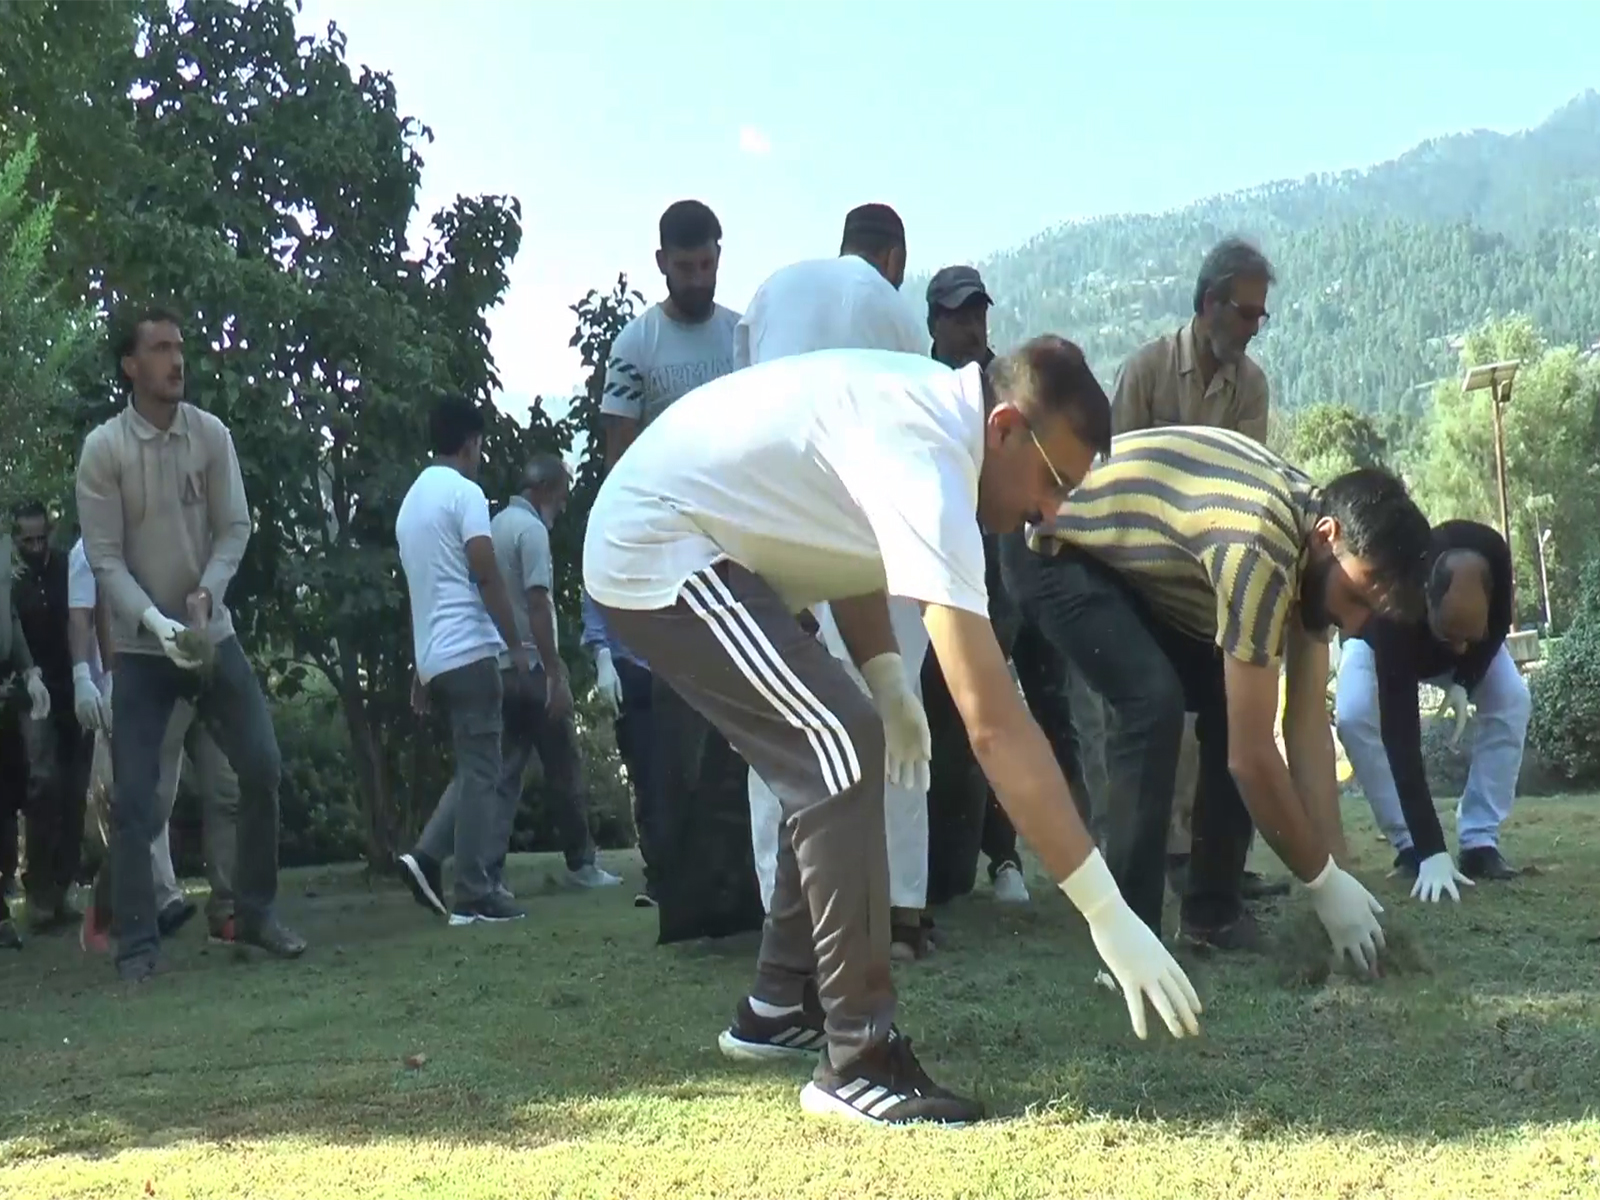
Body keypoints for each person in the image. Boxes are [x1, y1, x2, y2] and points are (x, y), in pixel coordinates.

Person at [585, 338, 1203, 1127]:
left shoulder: (930, 416)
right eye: (1053, 482)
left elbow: (845, 544)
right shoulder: (931, 454)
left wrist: (884, 680)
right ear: (1007, 427)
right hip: (656, 545)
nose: (1052, 513)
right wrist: (1106, 910)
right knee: (835, 747)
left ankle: (782, 1000)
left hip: (705, 541)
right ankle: (858, 1058)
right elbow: (994, 725)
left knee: (844, 741)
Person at [1009, 424, 1431, 962]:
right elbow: (1252, 758)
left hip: (1135, 573)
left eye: (1371, 612)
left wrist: (1341, 877)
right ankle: (1130, 941)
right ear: (1328, 535)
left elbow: (1305, 732)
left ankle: (1213, 914)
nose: (1353, 624)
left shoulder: (1317, 551)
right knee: (1152, 704)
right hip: (1053, 546)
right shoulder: (1260, 545)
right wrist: (1321, 883)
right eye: (1356, 597)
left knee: (1231, 708)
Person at [734, 203, 940, 961]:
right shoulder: (889, 306)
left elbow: (740, 400)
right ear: (894, 258)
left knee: (779, 721)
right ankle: (902, 908)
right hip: (870, 524)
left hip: (772, 514)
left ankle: (784, 913)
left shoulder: (770, 291)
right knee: (897, 718)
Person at [77, 303, 306, 981]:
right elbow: (105, 558)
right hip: (146, 651)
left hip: (213, 638)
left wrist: (208, 593)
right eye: (160, 349)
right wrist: (157, 623)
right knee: (138, 798)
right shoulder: (104, 450)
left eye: (181, 347)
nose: (177, 361)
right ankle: (138, 944)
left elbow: (235, 526)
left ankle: (256, 914)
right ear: (130, 365)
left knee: (262, 766)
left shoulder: (210, 435)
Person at [593, 199, 758, 940]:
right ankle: (689, 900)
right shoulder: (636, 346)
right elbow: (618, 460)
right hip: (671, 566)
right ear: (661, 262)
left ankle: (753, 892)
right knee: (680, 736)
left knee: (749, 724)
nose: (698, 277)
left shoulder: (741, 337)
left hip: (741, 552)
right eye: (685, 266)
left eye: (708, 263)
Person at [1108, 238, 1283, 901]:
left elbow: (1243, 484)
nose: (1253, 326)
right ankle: (1156, 864)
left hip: (1211, 587)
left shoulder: (1252, 385)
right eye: (1245, 312)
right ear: (1209, 304)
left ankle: (1219, 868)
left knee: (1230, 723)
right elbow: (1116, 480)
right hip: (1141, 580)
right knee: (1155, 724)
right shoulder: (1146, 371)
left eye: (1260, 316)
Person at [402, 454, 620, 912]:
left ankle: (486, 871)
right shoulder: (531, 532)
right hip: (528, 666)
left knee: (497, 773)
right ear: (544, 490)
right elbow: (539, 604)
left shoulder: (491, 524)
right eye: (559, 499)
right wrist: (552, 670)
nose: (559, 509)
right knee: (564, 768)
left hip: (489, 660)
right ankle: (581, 862)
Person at [921, 265, 1042, 916]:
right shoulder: (919, 389)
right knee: (944, 721)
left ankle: (1006, 855)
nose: (971, 326)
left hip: (1004, 577)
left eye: (978, 313)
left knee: (997, 712)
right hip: (938, 572)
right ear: (934, 322)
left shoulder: (1007, 388)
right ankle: (940, 867)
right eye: (958, 314)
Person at [395, 397, 532, 926]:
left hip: (437, 656)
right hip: (472, 651)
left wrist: (420, 667)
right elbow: (485, 573)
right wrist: (515, 643)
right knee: (484, 771)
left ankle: (426, 858)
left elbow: (423, 591)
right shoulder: (465, 494)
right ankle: (473, 891)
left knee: (475, 767)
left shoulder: (412, 503)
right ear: (471, 442)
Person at [1335, 520, 1526, 897]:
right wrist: (1431, 849)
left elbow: (1500, 621)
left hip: (1467, 647)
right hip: (1380, 646)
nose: (1457, 649)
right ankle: (1409, 844)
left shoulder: (1491, 551)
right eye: (1450, 636)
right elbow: (1401, 737)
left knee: (1513, 700)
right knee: (1353, 715)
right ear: (1425, 598)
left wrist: (1465, 679)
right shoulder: (1394, 611)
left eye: (1466, 639)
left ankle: (1479, 841)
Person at [71, 533, 239, 952]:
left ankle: (226, 911)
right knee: (149, 808)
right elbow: (91, 617)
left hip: (207, 666)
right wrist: (89, 680)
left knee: (226, 789)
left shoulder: (191, 525)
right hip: (155, 675)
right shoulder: (98, 549)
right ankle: (106, 902)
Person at [9, 503, 87, 933]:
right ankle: (38, 891)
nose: (37, 547)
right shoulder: (9, 579)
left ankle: (63, 886)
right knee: (43, 784)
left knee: (74, 789)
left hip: (71, 686)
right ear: (15, 539)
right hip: (30, 692)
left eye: (42, 537)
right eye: (28, 540)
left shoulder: (65, 567)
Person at [0, 531, 52, 950]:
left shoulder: (2, 544)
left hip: (6, 690)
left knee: (8, 801)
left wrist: (30, 669)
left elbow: (9, 615)